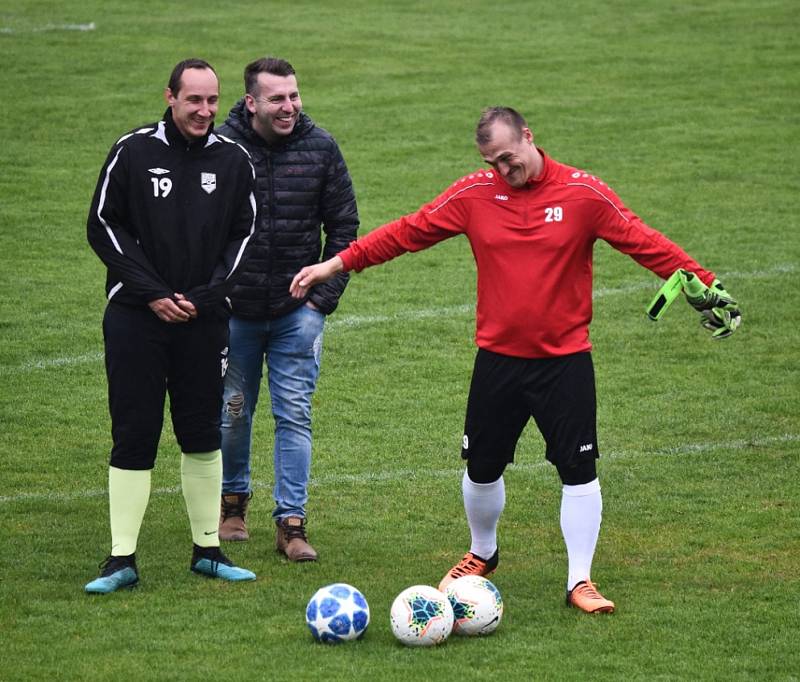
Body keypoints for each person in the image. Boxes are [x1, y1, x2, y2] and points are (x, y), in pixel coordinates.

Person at [290, 106, 741, 612]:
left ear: (528, 137)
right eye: (492, 162)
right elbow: (408, 232)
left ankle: (580, 581)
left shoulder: (582, 193)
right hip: (498, 361)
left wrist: (704, 281)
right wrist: (337, 262)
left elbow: (642, 240)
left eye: (508, 158)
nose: (504, 171)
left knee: (578, 470)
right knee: (481, 467)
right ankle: (482, 552)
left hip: (565, 361)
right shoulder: (474, 194)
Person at [85, 58, 259, 593]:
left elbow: (244, 237)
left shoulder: (235, 161)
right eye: (194, 100)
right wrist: (154, 294)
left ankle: (207, 550)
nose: (205, 111)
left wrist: (202, 298)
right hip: (137, 319)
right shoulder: (132, 151)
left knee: (203, 433)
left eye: (212, 100)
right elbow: (102, 226)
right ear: (170, 97)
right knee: (134, 434)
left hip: (203, 322)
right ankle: (121, 561)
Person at [215, 57, 359, 561]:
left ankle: (291, 524)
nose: (289, 106)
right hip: (235, 314)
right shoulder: (223, 149)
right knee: (233, 413)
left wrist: (321, 302)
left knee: (294, 413)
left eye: (294, 96)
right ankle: (232, 506)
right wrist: (216, 296)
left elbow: (344, 227)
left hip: (298, 314)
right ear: (251, 101)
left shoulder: (321, 148)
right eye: (277, 98)